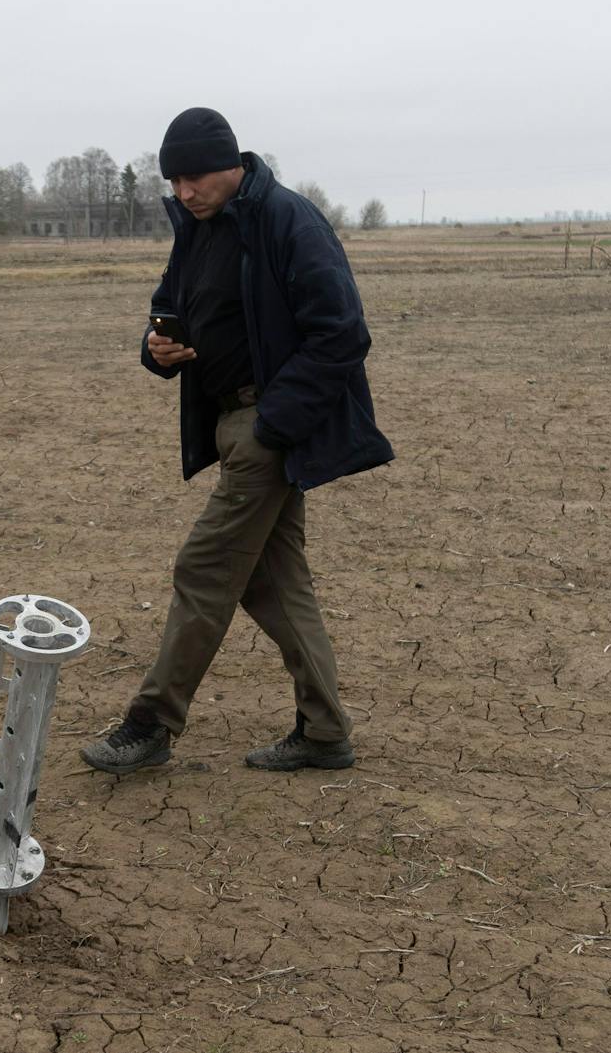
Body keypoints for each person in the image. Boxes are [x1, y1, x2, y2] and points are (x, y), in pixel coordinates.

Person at [80, 107, 392, 778]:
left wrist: (274, 424)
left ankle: (150, 723)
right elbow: (173, 305)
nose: (184, 192)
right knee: (276, 583)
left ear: (231, 164)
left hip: (266, 430)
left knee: (204, 567)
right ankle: (325, 731)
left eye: (193, 177)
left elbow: (342, 333)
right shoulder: (197, 230)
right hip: (232, 424)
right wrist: (156, 348)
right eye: (174, 181)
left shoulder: (290, 222)